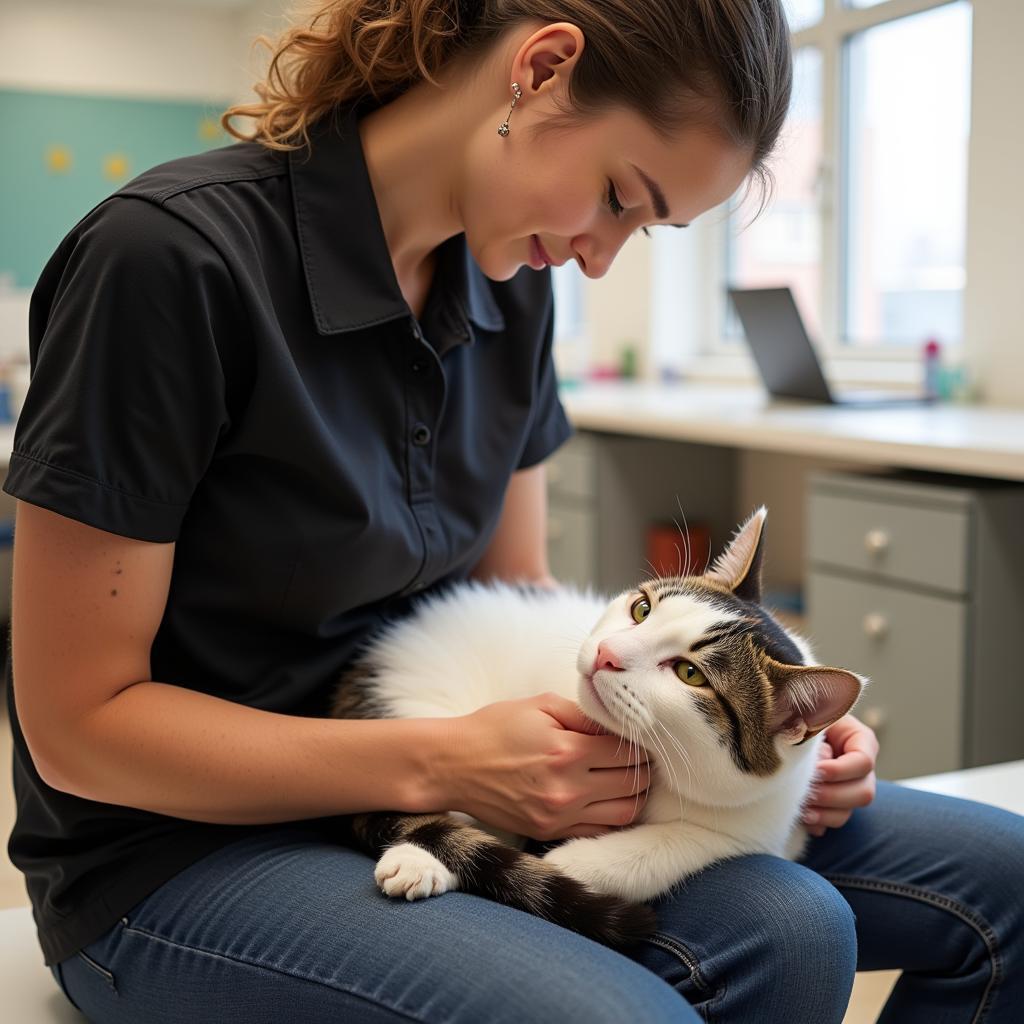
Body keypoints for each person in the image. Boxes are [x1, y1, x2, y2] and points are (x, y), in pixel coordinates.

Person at [4, 1, 1022, 1021]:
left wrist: (763, 729)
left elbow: (513, 594)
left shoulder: (509, 286)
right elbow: (79, 730)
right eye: (620, 197)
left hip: (442, 768)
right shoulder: (169, 261)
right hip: (182, 848)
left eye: (642, 228)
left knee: (941, 897)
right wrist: (446, 758)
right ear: (540, 68)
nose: (600, 257)